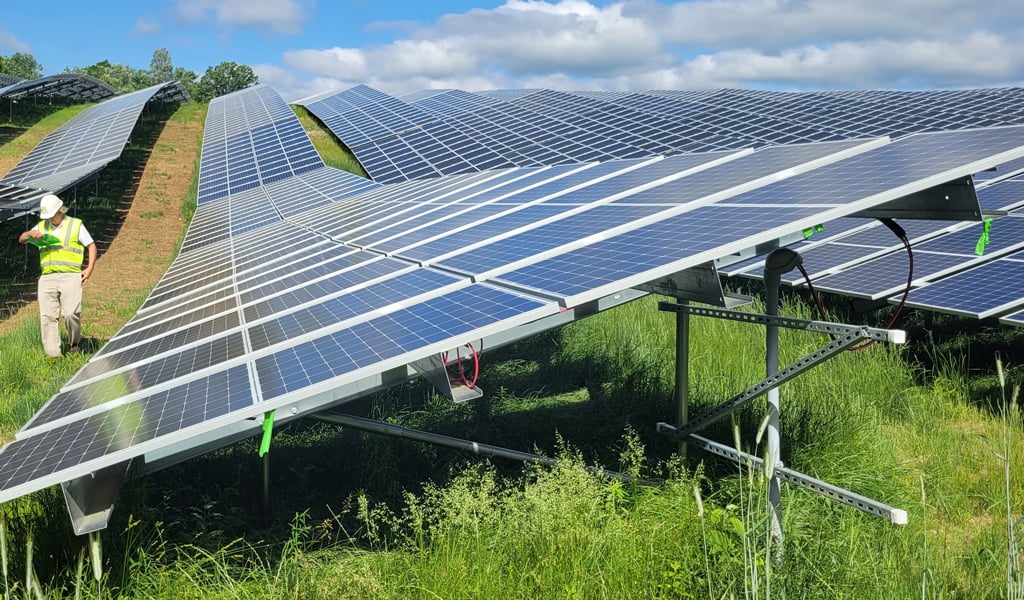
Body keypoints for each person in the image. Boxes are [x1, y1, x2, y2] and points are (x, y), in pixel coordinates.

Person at [18, 193, 97, 358]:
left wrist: (89, 269)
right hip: (47, 277)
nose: (50, 219)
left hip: (71, 275)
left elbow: (91, 245)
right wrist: (30, 234)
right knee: (47, 316)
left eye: (52, 215)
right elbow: (22, 239)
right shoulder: (41, 226)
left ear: (60, 211)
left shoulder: (75, 225)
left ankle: (75, 343)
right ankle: (53, 355)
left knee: (71, 313)